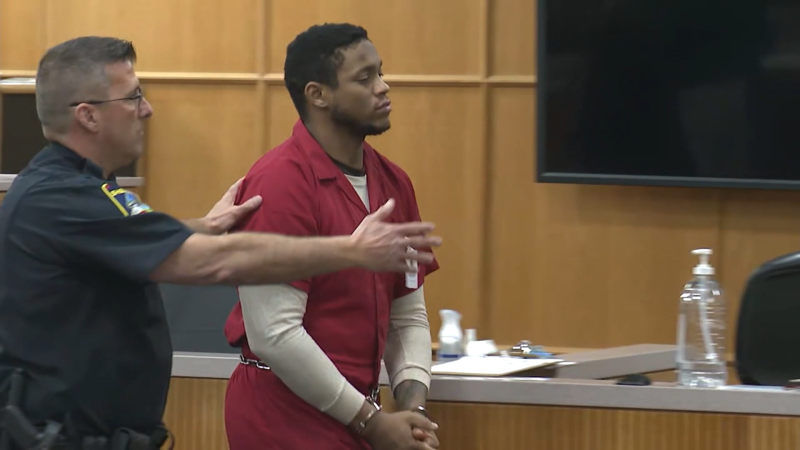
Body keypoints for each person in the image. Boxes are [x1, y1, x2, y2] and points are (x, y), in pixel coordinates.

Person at [0, 36, 442, 450]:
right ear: (88, 116)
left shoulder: (87, 191)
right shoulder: (60, 197)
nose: (147, 109)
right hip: (61, 436)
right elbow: (212, 265)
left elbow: (127, 241)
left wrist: (198, 228)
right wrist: (350, 251)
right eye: (133, 97)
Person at [222, 23, 441, 450]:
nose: (383, 87)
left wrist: (413, 412)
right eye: (365, 78)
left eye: (380, 72)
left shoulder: (394, 183)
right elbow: (275, 335)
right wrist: (373, 424)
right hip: (282, 418)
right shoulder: (281, 182)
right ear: (317, 94)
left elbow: (407, 317)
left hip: (356, 416)